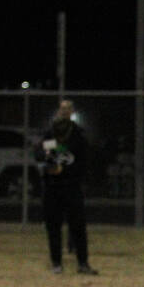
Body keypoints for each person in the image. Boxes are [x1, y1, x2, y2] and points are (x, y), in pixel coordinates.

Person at [40, 99, 96, 275]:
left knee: (78, 226)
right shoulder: (51, 132)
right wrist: (50, 165)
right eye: (62, 108)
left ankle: (83, 263)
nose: (64, 111)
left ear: (72, 112)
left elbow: (84, 158)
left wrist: (79, 177)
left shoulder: (78, 134)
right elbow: (44, 153)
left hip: (72, 186)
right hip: (53, 186)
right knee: (53, 226)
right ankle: (56, 263)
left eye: (68, 109)